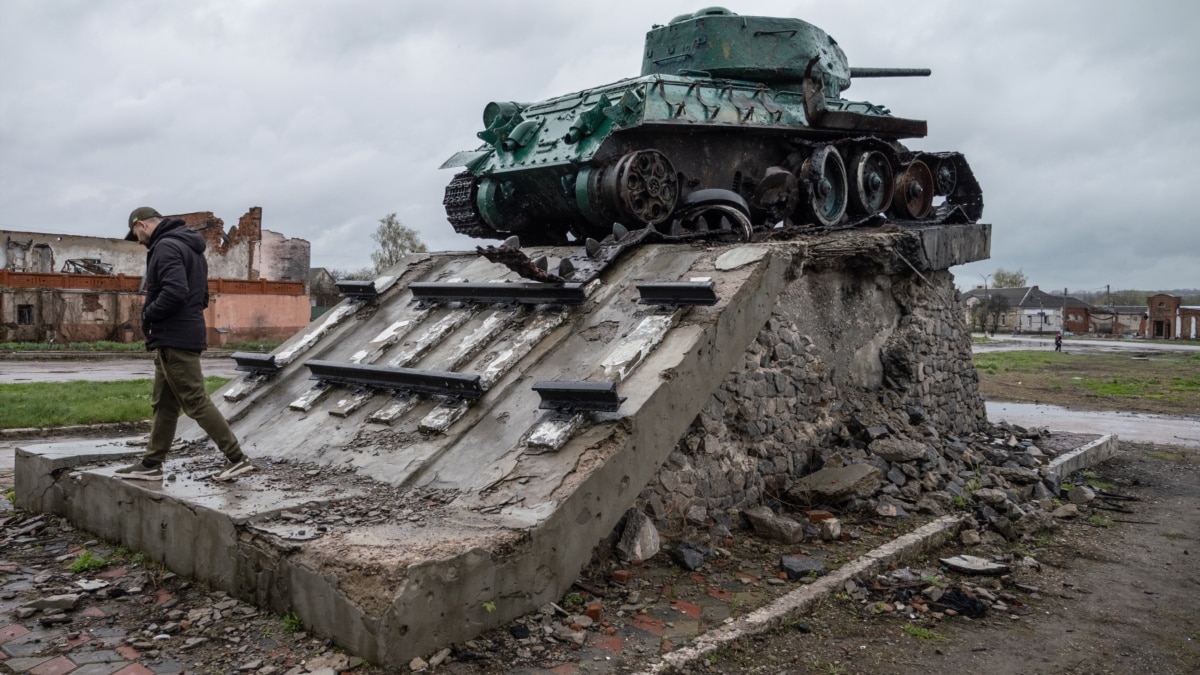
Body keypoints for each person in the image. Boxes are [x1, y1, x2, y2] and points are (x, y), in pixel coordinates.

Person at [116, 207, 255, 482]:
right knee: (164, 404)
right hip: (179, 333)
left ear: (141, 225)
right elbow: (202, 295)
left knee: (194, 401)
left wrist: (148, 313)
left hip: (174, 337)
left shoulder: (165, 247)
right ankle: (151, 464)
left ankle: (237, 458)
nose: (138, 241)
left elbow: (175, 291)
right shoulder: (190, 247)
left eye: (136, 234)